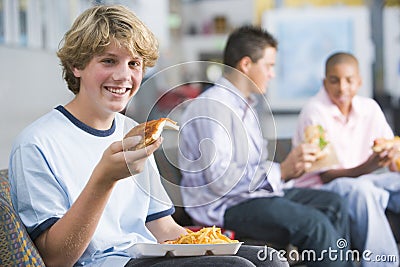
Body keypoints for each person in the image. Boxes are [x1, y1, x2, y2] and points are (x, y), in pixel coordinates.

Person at [8, 5, 288, 267]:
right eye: (109, 61)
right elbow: (56, 258)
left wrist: (210, 245)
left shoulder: (133, 130)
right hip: (106, 263)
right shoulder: (37, 143)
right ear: (76, 66)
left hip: (145, 254)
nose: (123, 76)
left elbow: (163, 228)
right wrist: (104, 180)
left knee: (269, 260)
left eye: (134, 64)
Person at [178, 25, 354, 267]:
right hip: (224, 207)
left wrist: (293, 170)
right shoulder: (212, 107)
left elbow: (253, 168)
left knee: (335, 204)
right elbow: (219, 179)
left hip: (253, 196)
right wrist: (280, 171)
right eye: (269, 66)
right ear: (246, 64)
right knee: (314, 223)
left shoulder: (246, 106)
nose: (272, 74)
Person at [292, 52, 400, 266]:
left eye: (349, 80)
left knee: (367, 187)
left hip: (362, 180)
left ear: (359, 81)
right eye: (334, 80)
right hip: (324, 189)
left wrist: (393, 157)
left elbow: (391, 157)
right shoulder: (314, 112)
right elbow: (326, 176)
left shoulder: (369, 108)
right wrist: (369, 165)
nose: (342, 88)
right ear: (325, 82)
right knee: (362, 191)